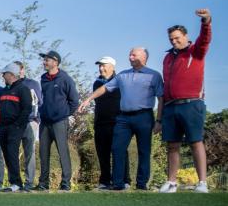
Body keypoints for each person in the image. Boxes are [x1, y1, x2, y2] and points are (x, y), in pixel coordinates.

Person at [79, 48, 163, 191]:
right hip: (123, 118)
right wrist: (88, 99)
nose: (130, 57)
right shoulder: (123, 75)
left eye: (133, 54)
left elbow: (161, 98)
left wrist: (159, 120)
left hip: (144, 117)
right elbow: (105, 88)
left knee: (144, 151)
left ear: (144, 57)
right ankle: (118, 184)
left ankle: (142, 184)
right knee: (117, 148)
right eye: (130, 54)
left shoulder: (154, 75)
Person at [159, 9, 213, 193]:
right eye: (171, 39)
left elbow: (205, 38)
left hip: (192, 104)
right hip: (171, 106)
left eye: (177, 38)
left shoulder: (196, 51)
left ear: (185, 36)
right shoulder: (167, 57)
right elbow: (166, 83)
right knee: (172, 145)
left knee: (195, 142)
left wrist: (206, 21)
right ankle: (172, 182)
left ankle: (202, 183)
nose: (174, 41)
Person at [36, 50, 79, 192]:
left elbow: (74, 101)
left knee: (63, 152)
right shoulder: (43, 78)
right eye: (44, 60)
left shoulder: (65, 79)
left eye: (46, 60)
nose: (44, 62)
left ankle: (65, 183)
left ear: (55, 62)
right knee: (43, 153)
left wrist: (64, 115)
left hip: (59, 122)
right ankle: (43, 183)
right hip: (45, 123)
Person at [86, 57, 130, 189]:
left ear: (112, 67)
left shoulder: (120, 82)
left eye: (104, 65)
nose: (101, 68)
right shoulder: (96, 83)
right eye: (99, 66)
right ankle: (105, 181)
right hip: (100, 122)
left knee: (120, 151)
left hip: (117, 122)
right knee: (102, 152)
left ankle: (124, 180)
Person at [0, 64, 33, 192]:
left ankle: (17, 183)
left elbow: (27, 108)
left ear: (12, 75)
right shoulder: (5, 90)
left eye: (4, 73)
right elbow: (0, 109)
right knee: (7, 154)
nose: (2, 76)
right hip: (3, 127)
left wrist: (18, 125)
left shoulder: (23, 89)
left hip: (15, 127)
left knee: (12, 153)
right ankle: (13, 182)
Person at [15, 61, 43, 191]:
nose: (17, 72)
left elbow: (39, 102)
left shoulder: (33, 84)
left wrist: (36, 119)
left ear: (22, 70)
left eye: (18, 69)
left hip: (30, 121)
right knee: (12, 153)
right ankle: (15, 183)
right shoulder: (10, 86)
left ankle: (29, 183)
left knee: (29, 153)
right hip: (14, 124)